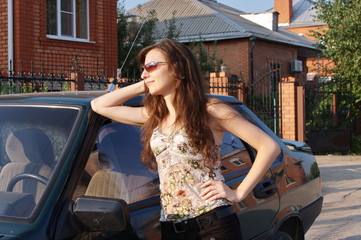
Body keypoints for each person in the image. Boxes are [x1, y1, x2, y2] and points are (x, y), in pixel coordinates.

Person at [91, 38, 281, 240]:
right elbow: (99, 105)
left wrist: (239, 193)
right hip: (171, 227)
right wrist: (145, 83)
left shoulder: (209, 110)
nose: (144, 73)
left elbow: (269, 146)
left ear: (178, 70)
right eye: (143, 68)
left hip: (211, 224)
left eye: (152, 66)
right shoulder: (155, 116)